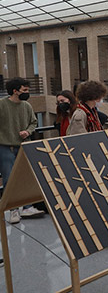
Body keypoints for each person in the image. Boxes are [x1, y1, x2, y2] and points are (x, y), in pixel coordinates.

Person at [67, 80, 108, 249]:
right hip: (89, 163)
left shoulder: (91, 111)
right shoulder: (81, 114)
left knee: (103, 201)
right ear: (94, 97)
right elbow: (78, 141)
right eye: (100, 97)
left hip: (95, 161)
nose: (102, 99)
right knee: (102, 201)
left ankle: (107, 236)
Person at [0, 77, 44, 224]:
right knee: (8, 179)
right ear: (15, 90)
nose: (27, 92)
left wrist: (28, 131)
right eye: (24, 90)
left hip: (23, 146)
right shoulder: (2, 105)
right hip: (5, 147)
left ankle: (27, 207)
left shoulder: (27, 106)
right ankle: (13, 210)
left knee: (26, 177)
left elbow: (33, 122)